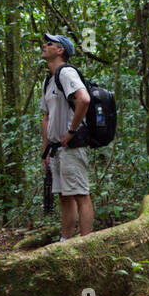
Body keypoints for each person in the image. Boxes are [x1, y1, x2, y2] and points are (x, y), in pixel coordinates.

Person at [40, 33, 94, 239]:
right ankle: (66, 241)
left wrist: (71, 131)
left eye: (49, 43)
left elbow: (84, 99)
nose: (44, 46)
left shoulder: (66, 72)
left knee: (80, 194)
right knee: (64, 196)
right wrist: (45, 150)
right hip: (56, 149)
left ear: (60, 50)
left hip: (73, 145)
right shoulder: (49, 79)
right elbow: (46, 116)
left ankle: (87, 242)